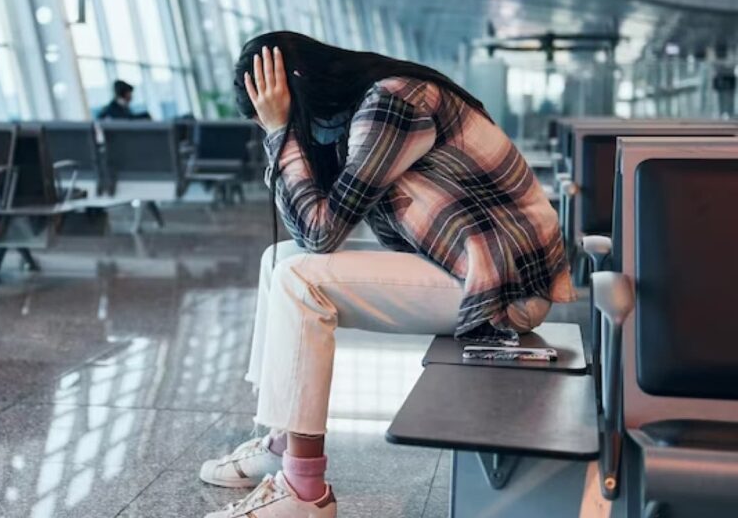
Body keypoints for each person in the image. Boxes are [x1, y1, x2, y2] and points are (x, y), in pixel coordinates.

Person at [199, 32, 576, 518]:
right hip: (465, 265)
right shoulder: (362, 110)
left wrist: (280, 133)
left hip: (503, 289)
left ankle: (305, 491)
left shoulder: (392, 103)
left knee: (301, 281)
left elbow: (321, 234)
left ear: (294, 88)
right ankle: (279, 441)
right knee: (278, 260)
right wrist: (283, 132)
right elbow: (307, 225)